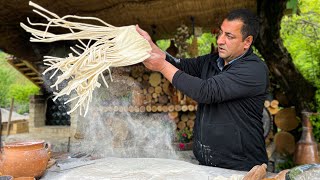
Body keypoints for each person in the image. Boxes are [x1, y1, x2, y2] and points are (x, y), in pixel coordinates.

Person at [136, 9, 269, 171]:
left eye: (229, 36)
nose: (220, 40)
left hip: (242, 168)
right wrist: (153, 48)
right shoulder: (212, 61)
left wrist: (162, 66)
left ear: (247, 42)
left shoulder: (254, 70)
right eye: (220, 33)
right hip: (207, 165)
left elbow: (206, 92)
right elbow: (180, 64)